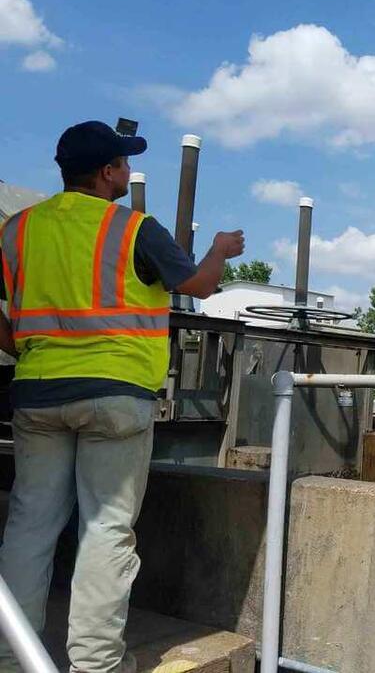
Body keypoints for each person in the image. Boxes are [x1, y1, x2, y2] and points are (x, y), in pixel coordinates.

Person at [0, 120, 245, 673]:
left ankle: (12, 657)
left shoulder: (17, 231)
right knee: (106, 529)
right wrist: (220, 249)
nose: (130, 172)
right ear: (107, 172)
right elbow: (200, 286)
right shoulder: (134, 228)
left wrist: (26, 346)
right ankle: (96, 663)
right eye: (125, 164)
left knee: (29, 525)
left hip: (37, 393)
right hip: (116, 396)